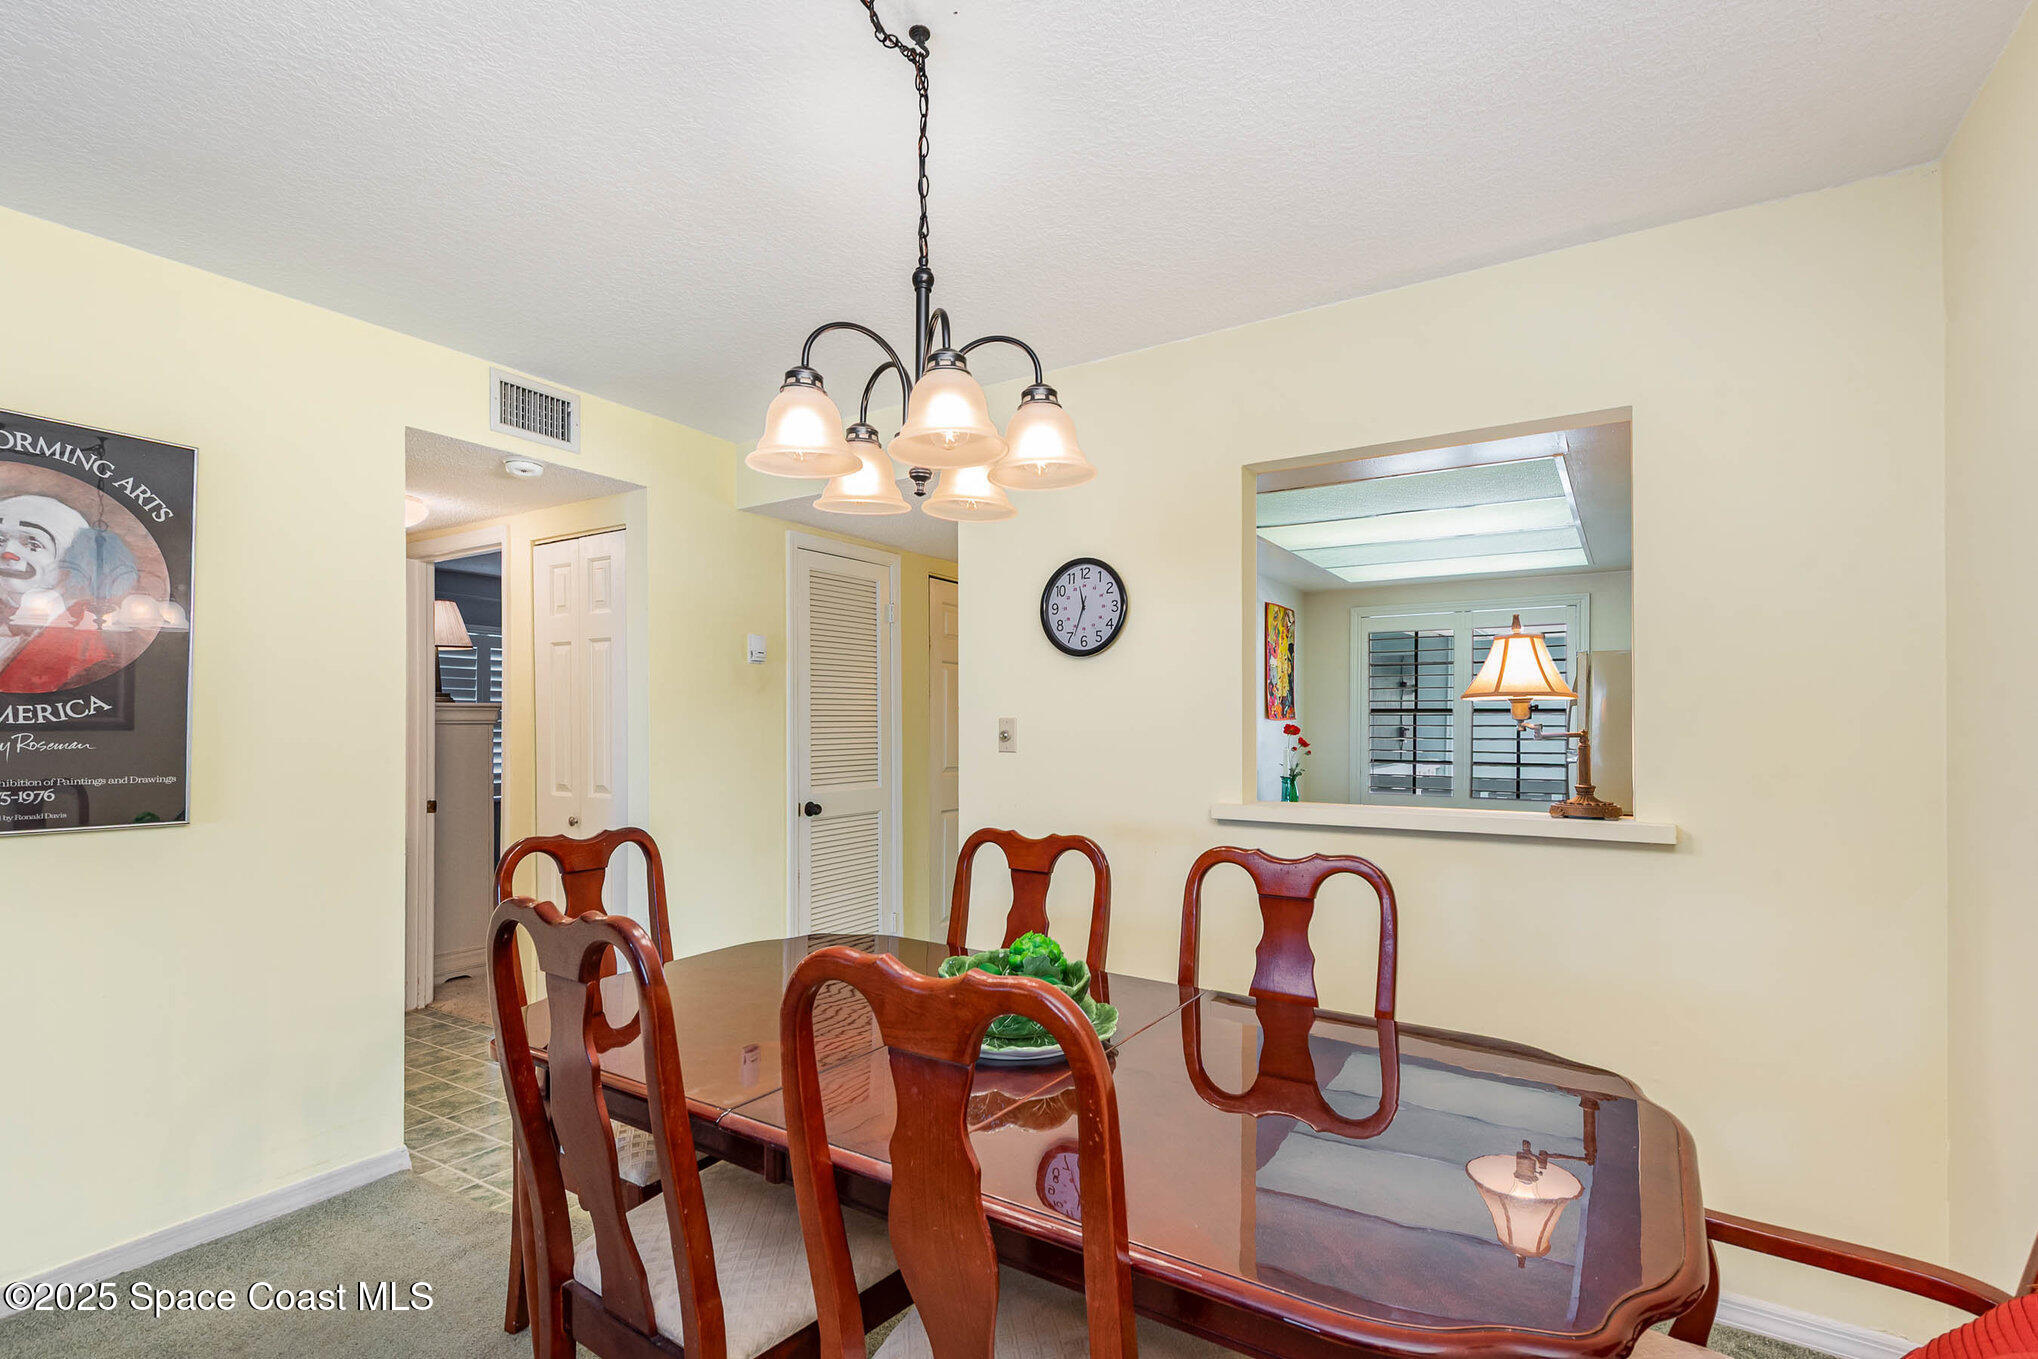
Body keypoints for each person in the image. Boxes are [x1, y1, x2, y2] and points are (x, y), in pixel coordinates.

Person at [0, 492, 137, 693]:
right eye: (0, 540)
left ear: (73, 560)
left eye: (32, 544)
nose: (7, 552)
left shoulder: (90, 644)